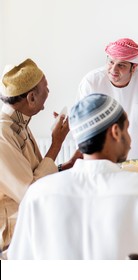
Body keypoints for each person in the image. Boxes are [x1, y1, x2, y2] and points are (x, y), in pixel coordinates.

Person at [8, 94, 138, 259]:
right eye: (127, 129)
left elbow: (20, 262)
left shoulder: (37, 195)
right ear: (116, 132)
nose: (130, 141)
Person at [0, 58, 80, 253]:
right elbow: (30, 194)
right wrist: (56, 144)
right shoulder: (3, 133)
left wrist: (65, 166)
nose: (49, 91)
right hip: (14, 232)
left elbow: (32, 174)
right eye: (46, 86)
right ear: (31, 98)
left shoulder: (18, 124)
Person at [79, 38, 138, 159]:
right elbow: (84, 125)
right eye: (111, 62)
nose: (114, 69)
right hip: (98, 159)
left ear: (134, 67)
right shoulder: (91, 82)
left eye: (121, 65)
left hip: (133, 160)